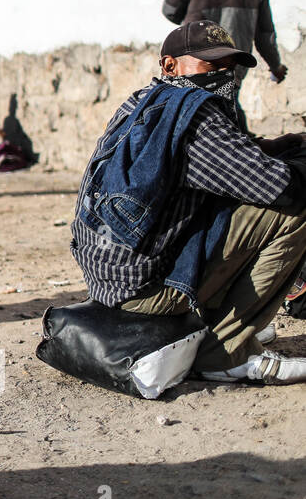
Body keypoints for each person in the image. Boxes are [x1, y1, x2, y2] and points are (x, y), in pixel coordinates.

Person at [71, 20, 306, 384]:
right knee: (294, 210)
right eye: (211, 66)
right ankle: (225, 351)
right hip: (147, 292)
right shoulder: (195, 112)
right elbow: (277, 186)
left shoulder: (142, 101)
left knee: (229, 204)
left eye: (229, 66)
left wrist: (280, 146)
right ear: (170, 65)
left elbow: (225, 157)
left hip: (108, 280)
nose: (223, 75)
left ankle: (221, 324)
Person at [162, 0, 287, 128]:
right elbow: (265, 37)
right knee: (228, 114)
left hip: (191, 60)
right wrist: (276, 67)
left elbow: (169, 9)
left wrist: (190, 21)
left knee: (185, 115)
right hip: (232, 65)